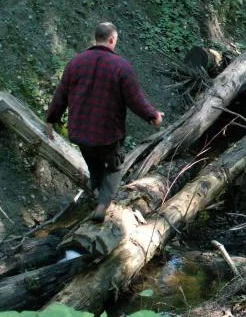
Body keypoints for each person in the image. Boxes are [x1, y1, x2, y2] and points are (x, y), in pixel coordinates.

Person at [45, 22, 164, 222]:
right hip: (107, 134)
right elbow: (135, 99)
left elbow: (61, 95)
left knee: (94, 164)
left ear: (96, 38)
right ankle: (102, 204)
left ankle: (95, 192)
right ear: (112, 40)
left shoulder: (75, 63)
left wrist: (50, 120)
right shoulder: (121, 67)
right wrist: (153, 116)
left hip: (80, 133)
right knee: (115, 166)